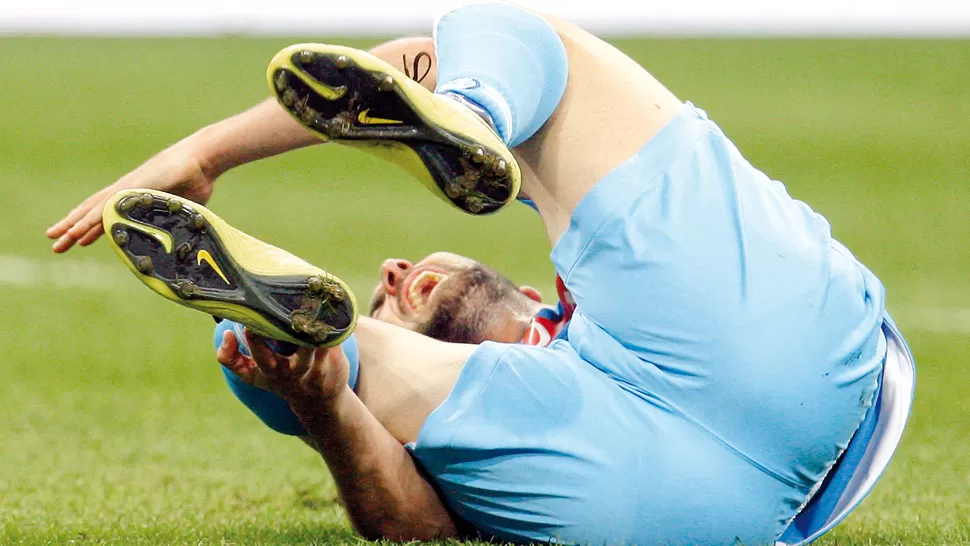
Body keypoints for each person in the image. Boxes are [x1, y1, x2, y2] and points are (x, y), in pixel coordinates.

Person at [46, 3, 914, 545]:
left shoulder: (603, 303)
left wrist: (202, 154)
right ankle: (302, 336)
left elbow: (417, 52)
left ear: (532, 299)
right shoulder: (499, 406)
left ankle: (466, 117)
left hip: (681, 473)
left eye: (390, 280)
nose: (392, 269)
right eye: (386, 294)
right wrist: (321, 402)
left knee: (504, 53)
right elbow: (410, 527)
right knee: (290, 375)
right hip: (729, 435)